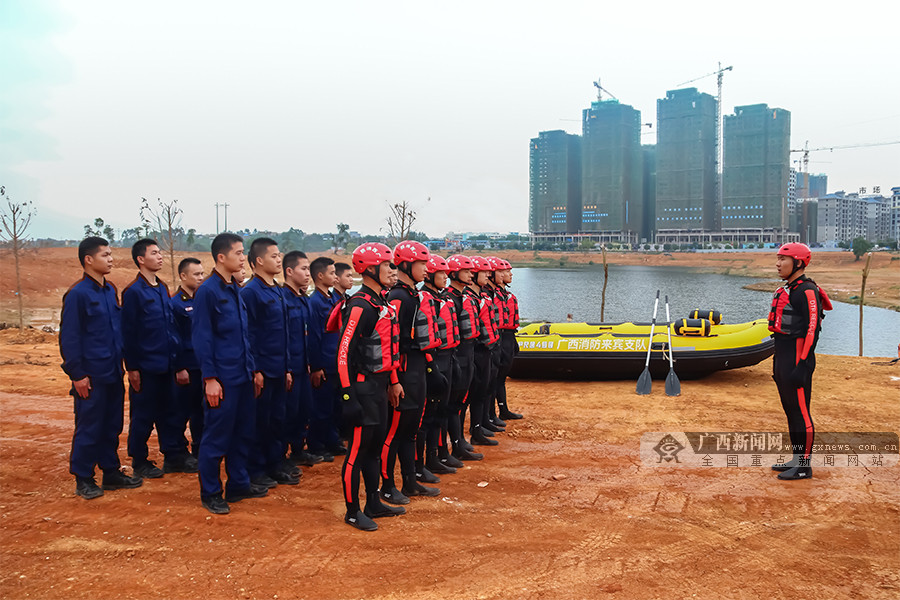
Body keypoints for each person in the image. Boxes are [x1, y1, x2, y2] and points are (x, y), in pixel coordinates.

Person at [60, 237, 143, 499]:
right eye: (105, 255)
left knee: (112, 424)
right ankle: (83, 477)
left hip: (112, 371)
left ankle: (111, 472)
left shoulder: (109, 290)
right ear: (89, 259)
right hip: (91, 375)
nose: (111, 259)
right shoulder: (77, 295)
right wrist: (78, 375)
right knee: (89, 426)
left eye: (110, 254)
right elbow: (70, 338)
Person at [193, 233, 268, 514]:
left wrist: (253, 371)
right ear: (221, 257)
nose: (242, 257)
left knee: (242, 433)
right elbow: (203, 338)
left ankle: (238, 483)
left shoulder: (234, 288)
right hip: (222, 379)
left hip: (243, 376)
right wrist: (210, 379)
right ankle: (211, 492)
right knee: (216, 437)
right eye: (237, 253)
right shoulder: (208, 291)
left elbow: (244, 336)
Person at [336, 242, 406, 530]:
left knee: (375, 449)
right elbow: (343, 354)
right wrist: (348, 395)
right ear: (370, 270)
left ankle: (373, 502)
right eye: (388, 266)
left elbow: (388, 350)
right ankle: (352, 511)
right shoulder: (360, 306)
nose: (394, 270)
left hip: (379, 387)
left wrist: (393, 382)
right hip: (362, 389)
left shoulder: (383, 303)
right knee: (357, 451)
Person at [122, 239, 191, 478]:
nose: (160, 256)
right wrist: (132, 368)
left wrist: (177, 362)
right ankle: (139, 461)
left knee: (170, 413)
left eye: (160, 252)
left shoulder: (161, 288)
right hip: (146, 367)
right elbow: (129, 334)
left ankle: (174, 456)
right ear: (141, 259)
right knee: (143, 415)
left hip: (167, 364)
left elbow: (171, 329)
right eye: (154, 253)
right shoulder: (133, 292)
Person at [381, 240, 442, 503]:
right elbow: (390, 342)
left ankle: (409, 481)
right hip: (403, 371)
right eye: (422, 264)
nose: (427, 269)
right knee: (395, 432)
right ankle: (386, 485)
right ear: (406, 265)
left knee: (411, 429)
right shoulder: (397, 297)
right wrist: (394, 380)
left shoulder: (412, 294)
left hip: (416, 368)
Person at [767, 242, 832, 481]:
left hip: (797, 359)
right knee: (790, 411)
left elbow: (812, 329)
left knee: (801, 413)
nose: (777, 264)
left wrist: (802, 365)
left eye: (782, 259)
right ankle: (796, 459)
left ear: (798, 263)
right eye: (777, 259)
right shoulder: (789, 289)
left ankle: (805, 466)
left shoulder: (805, 290)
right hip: (783, 356)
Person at [241, 238, 298, 487]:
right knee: (259, 422)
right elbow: (249, 335)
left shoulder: (276, 289)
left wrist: (286, 368)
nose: (278, 259)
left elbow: (282, 333)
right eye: (274, 256)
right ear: (259, 261)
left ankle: (274, 464)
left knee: (277, 419)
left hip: (279, 368)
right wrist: (255, 370)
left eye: (279, 255)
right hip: (262, 370)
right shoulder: (250, 292)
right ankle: (256, 469)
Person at [281, 250, 323, 468]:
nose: (308, 274)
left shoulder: (303, 299)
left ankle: (298, 450)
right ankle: (281, 456)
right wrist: (287, 367)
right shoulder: (283, 299)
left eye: (309, 269)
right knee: (287, 413)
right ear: (289, 271)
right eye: (303, 269)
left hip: (304, 366)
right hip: (290, 366)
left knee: (303, 410)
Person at [419, 254, 459, 475]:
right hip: (434, 360)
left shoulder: (441, 298)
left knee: (442, 410)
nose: (446, 277)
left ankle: (438, 454)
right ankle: (423, 462)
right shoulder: (425, 299)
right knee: (429, 415)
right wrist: (431, 366)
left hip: (447, 357)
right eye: (442, 273)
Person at [445, 254, 484, 462]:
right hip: (456, 354)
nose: (471, 274)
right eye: (466, 271)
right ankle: (455, 444)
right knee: (453, 403)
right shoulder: (450, 298)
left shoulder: (465, 297)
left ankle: (460, 440)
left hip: (468, 352)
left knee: (463, 399)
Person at [307, 256, 345, 461]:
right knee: (320, 407)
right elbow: (314, 336)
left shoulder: (332, 299)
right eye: (331, 273)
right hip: (324, 363)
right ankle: (317, 444)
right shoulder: (314, 302)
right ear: (320, 276)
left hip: (335, 362)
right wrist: (316, 366)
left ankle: (331, 440)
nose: (335, 276)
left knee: (333, 405)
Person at [170, 257, 206, 458]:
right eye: (196, 274)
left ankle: (199, 450)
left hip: (202, 365)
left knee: (200, 412)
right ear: (183, 276)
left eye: (202, 274)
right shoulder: (175, 304)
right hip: (186, 367)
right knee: (180, 412)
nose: (201, 278)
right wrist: (179, 367)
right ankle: (176, 454)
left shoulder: (201, 300)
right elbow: (173, 337)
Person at [466, 256, 500, 447]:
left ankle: (479, 427)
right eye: (484, 272)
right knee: (472, 393)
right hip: (474, 351)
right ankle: (471, 432)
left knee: (484, 390)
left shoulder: (482, 297)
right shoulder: (467, 299)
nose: (488, 274)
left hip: (487, 349)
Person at [492, 259, 523, 421]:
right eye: (505, 271)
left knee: (502, 376)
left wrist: (513, 340)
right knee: (495, 377)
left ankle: (503, 409)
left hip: (508, 336)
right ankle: (491, 415)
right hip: (499, 337)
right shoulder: (490, 295)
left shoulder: (507, 295)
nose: (510, 274)